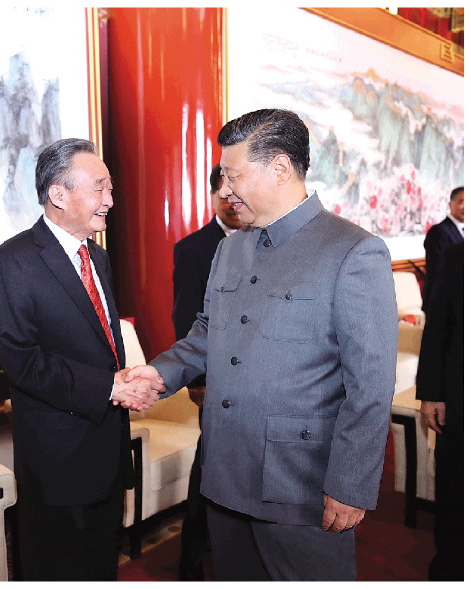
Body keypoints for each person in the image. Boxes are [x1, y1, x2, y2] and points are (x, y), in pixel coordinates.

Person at [127, 109, 398, 581]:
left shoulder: (353, 251)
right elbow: (208, 329)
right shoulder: (230, 247)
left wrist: (350, 484)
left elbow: (370, 385)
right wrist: (160, 372)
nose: (225, 189)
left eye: (233, 175)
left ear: (279, 167)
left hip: (300, 481)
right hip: (224, 470)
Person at [0, 138, 164, 581]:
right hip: (58, 459)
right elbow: (22, 360)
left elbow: (98, 342)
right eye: (99, 187)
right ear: (58, 194)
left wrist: (124, 380)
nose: (110, 199)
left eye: (110, 187)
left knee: (101, 565)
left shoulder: (98, 257)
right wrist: (109, 387)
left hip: (108, 447)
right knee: (58, 570)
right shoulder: (13, 261)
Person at [172, 164, 242, 581]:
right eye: (224, 196)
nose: (232, 203)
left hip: (253, 379)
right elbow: (186, 316)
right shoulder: (193, 248)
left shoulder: (263, 239)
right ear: (213, 196)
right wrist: (195, 379)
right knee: (211, 463)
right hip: (213, 377)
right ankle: (194, 555)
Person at [416, 241, 464, 581]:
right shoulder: (459, 254)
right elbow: (438, 324)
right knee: (456, 493)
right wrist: (431, 393)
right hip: (461, 396)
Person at [422, 186, 464, 312]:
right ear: (450, 204)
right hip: (443, 303)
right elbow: (439, 269)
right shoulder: (438, 231)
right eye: (462, 202)